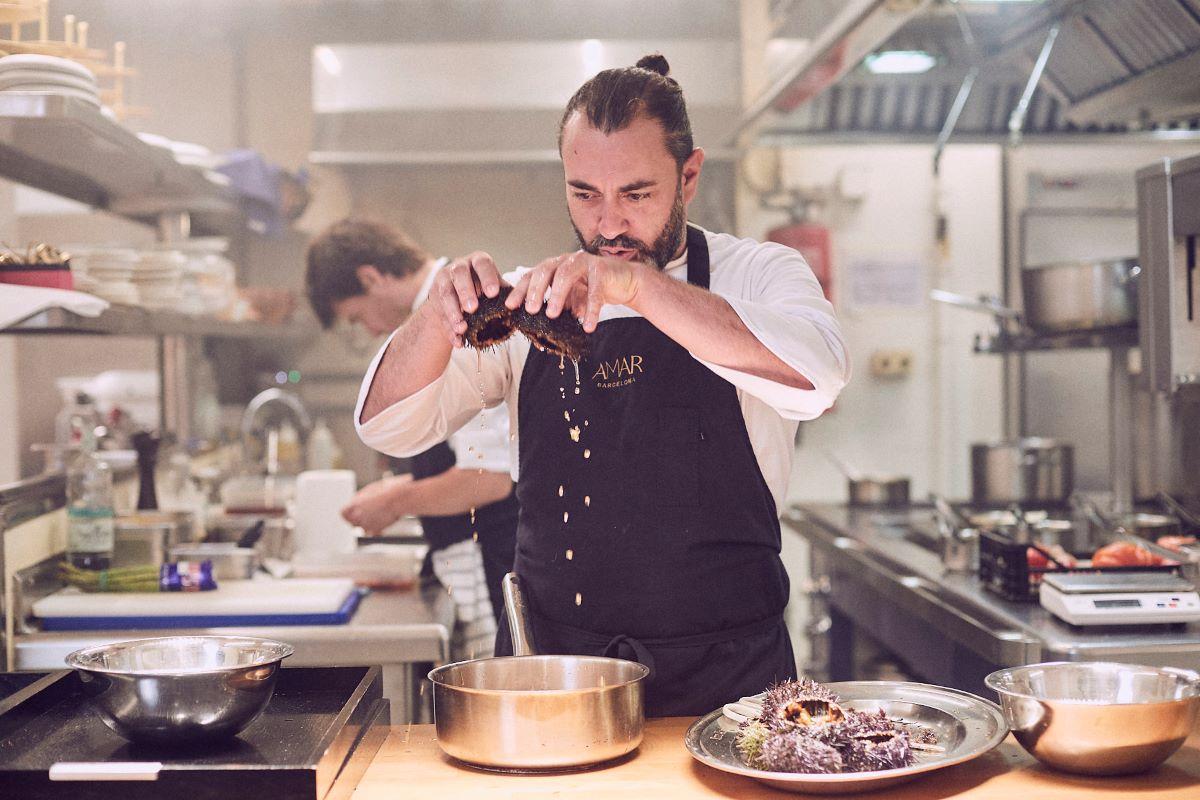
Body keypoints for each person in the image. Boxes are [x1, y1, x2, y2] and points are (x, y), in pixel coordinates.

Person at [353, 54, 849, 716]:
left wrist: (637, 287)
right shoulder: (536, 303)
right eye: (585, 193)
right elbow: (387, 422)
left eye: (636, 194)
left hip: (729, 684)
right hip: (557, 678)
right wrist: (434, 316)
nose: (609, 224)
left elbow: (818, 377)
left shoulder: (755, 274)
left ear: (690, 175)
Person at [305, 219, 519, 655]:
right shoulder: (436, 322)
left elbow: (491, 479)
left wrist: (394, 502)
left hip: (492, 562)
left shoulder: (463, 318)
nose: (366, 330)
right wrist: (400, 487)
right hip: (475, 560)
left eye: (356, 316)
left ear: (370, 278)